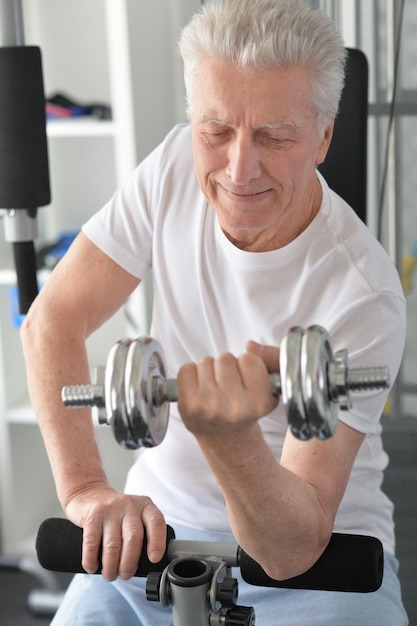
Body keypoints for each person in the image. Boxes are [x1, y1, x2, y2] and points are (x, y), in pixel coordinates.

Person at [21, 0, 408, 624]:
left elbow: (292, 549)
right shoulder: (175, 165)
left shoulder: (364, 293)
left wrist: (229, 438)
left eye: (275, 136)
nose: (239, 169)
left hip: (323, 564)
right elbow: (52, 320)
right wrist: (89, 494)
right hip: (154, 539)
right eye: (216, 130)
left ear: (324, 136)